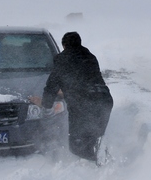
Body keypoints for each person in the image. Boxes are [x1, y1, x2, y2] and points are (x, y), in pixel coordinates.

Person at [40, 32, 113, 164]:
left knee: (76, 146)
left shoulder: (62, 59)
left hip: (82, 103)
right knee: (95, 136)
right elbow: (83, 80)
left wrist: (46, 104)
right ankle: (102, 156)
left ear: (64, 45)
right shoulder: (90, 57)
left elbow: (52, 85)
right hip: (104, 100)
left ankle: (95, 162)